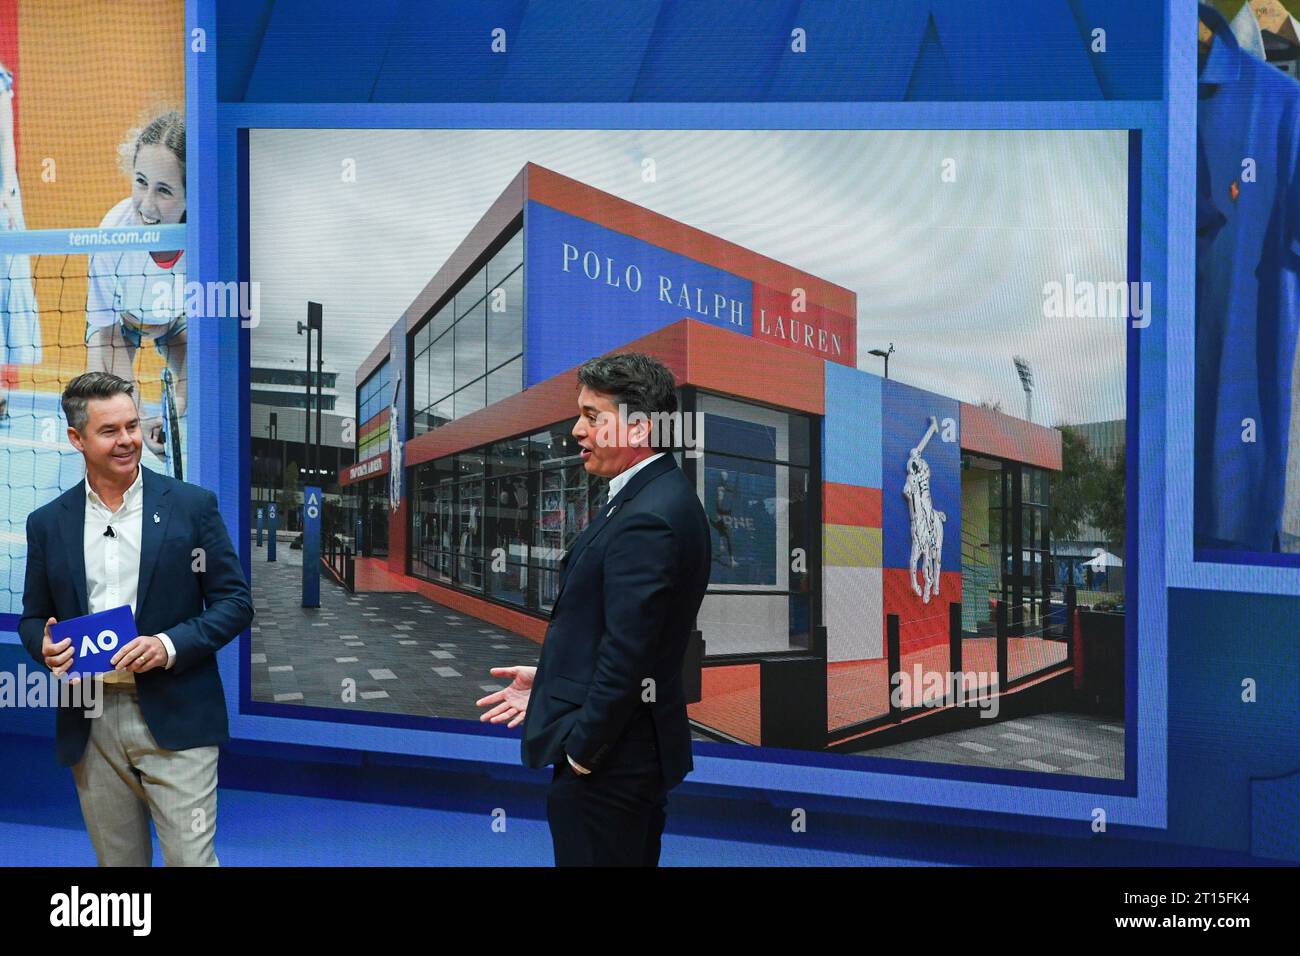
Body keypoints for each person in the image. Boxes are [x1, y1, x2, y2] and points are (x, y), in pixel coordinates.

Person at [477, 352, 711, 866]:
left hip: (610, 770)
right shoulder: (652, 497)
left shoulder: (648, 515)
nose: (576, 430)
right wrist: (553, 676)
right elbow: (627, 636)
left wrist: (583, 755)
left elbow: (629, 655)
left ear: (639, 428)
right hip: (627, 760)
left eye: (592, 416)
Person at [18, 371, 253, 866]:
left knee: (191, 860)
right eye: (110, 431)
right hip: (90, 717)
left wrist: (167, 645)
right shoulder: (47, 523)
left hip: (178, 712)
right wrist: (42, 644)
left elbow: (234, 603)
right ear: (76, 439)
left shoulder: (192, 507)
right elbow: (34, 617)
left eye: (133, 425)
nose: (128, 440)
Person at [85, 110, 187, 464]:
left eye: (164, 191)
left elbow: (207, 334)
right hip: (120, 326)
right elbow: (108, 334)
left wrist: (177, 404)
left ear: (193, 194)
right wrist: (140, 418)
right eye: (141, 182)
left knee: (200, 386)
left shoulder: (207, 238)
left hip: (175, 324)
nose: (147, 204)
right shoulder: (112, 232)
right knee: (101, 405)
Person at [0, 59, 42, 420]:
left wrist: (8, 194)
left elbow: (5, 144)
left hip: (1, 204)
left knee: (3, 294)